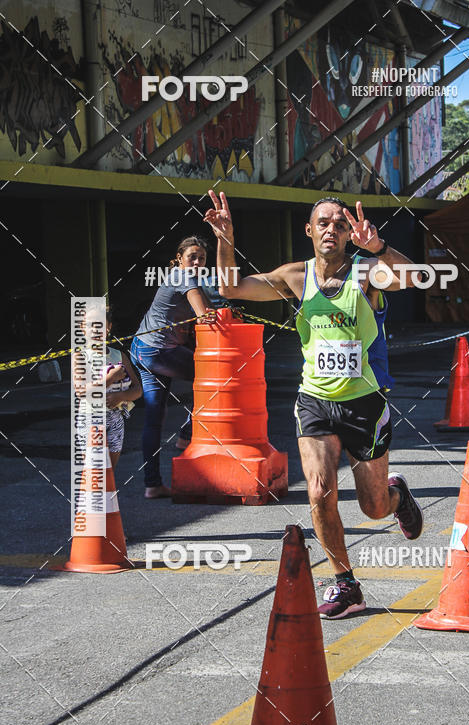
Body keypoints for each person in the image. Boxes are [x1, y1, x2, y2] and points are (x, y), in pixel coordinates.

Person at [205, 190, 423, 619]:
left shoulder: (366, 274)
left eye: (340, 224)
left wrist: (378, 247)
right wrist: (225, 238)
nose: (331, 229)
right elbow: (231, 287)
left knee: (372, 507)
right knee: (321, 491)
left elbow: (416, 278)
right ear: (309, 230)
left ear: (349, 235)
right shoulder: (295, 277)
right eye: (323, 222)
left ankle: (397, 496)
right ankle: (345, 583)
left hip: (365, 401)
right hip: (315, 400)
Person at [130, 235, 224, 499]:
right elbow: (205, 314)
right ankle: (186, 434)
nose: (196, 261)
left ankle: (153, 484)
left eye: (201, 258)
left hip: (143, 347)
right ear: (180, 258)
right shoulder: (184, 277)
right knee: (213, 378)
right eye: (191, 256)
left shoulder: (179, 276)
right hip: (158, 351)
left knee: (154, 416)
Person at [104, 307, 142, 470]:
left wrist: (121, 395)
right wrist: (111, 377)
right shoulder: (80, 357)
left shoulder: (119, 356)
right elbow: (82, 391)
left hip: (116, 419)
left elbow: (138, 390)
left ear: (109, 327)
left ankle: (109, 495)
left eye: (100, 325)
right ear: (82, 328)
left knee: (109, 470)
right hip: (90, 420)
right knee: (93, 470)